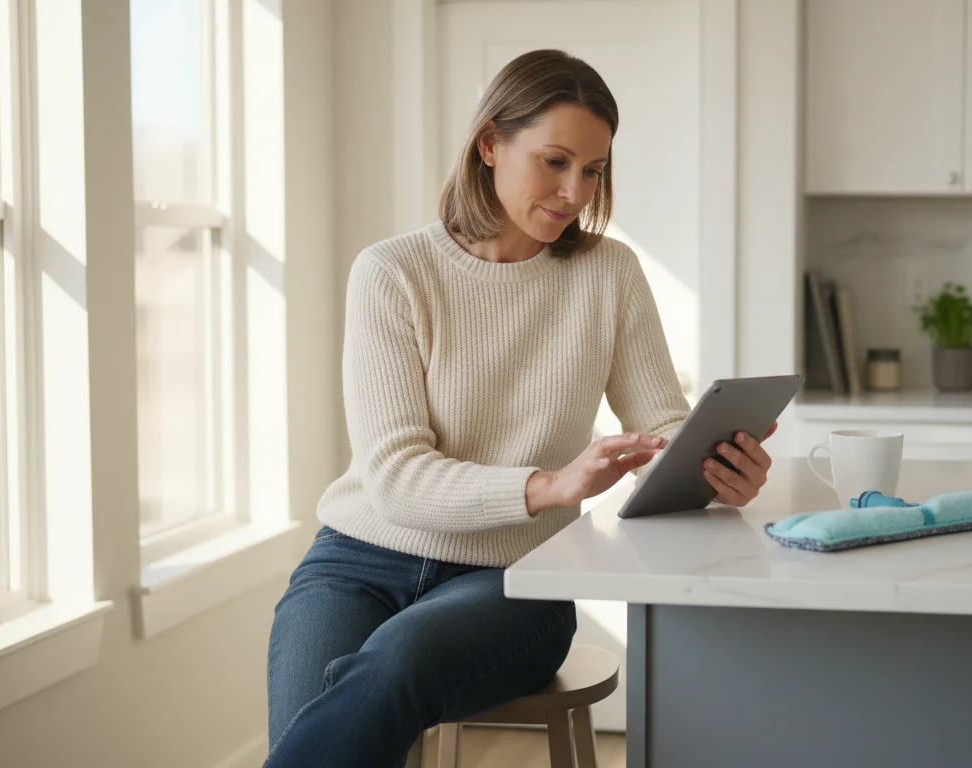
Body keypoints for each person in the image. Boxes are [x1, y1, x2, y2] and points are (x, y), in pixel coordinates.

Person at [262, 49, 778, 768]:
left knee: (398, 661)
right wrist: (551, 484)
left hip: (515, 579)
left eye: (593, 170)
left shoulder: (610, 275)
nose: (574, 191)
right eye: (555, 161)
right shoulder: (392, 273)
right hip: (355, 561)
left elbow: (661, 424)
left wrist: (713, 460)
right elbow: (394, 476)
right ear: (490, 144)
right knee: (315, 730)